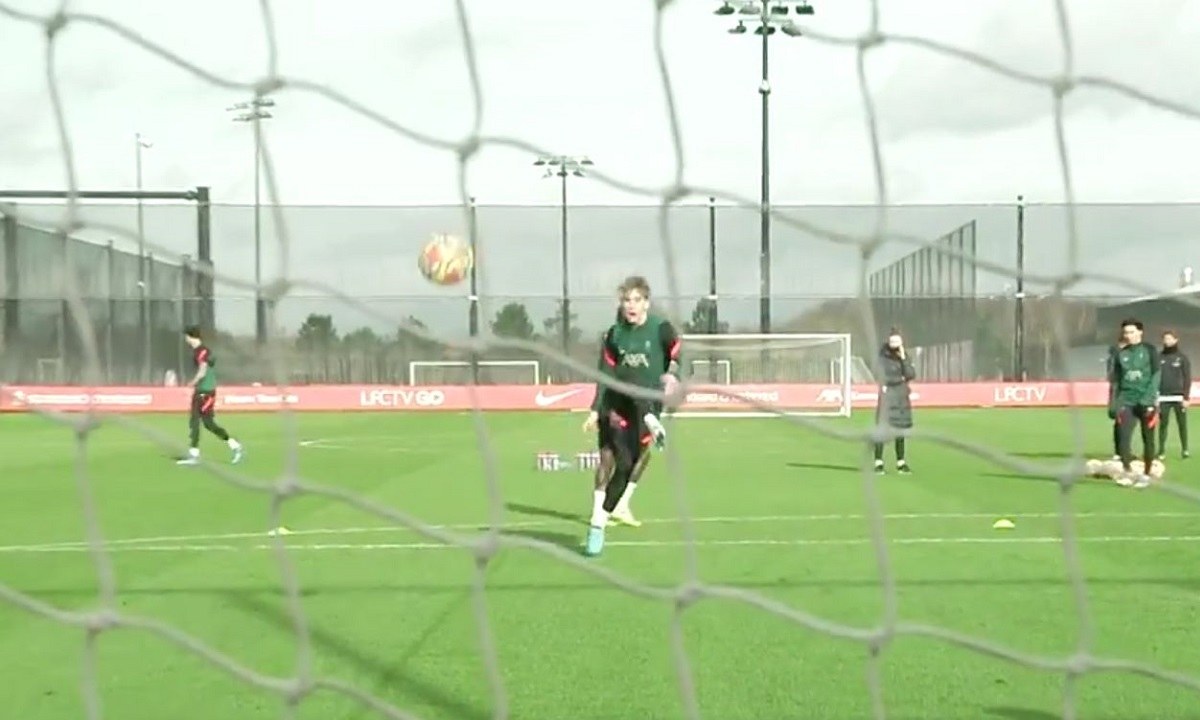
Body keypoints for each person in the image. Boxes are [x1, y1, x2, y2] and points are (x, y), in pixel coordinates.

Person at [581, 276, 681, 556]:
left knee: (626, 467)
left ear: (646, 303)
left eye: (636, 300)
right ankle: (597, 524)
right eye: (626, 300)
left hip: (649, 402)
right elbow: (605, 374)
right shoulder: (614, 335)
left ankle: (602, 519)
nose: (631, 305)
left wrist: (672, 375)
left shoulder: (661, 329)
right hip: (616, 405)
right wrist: (595, 409)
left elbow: (677, 356)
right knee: (611, 456)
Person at [582, 307, 655, 529]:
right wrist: (596, 409)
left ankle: (606, 510)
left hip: (621, 406)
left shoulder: (622, 339)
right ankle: (613, 507)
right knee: (626, 455)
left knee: (615, 455)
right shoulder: (620, 340)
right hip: (620, 407)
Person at [177, 326, 244, 466]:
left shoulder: (201, 351)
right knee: (201, 422)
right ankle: (196, 453)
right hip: (203, 390)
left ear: (190, 337)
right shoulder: (201, 350)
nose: (185, 340)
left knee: (202, 422)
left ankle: (233, 446)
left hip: (205, 391)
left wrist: (192, 382)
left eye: (186, 337)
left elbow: (203, 370)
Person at [1109, 318, 1159, 487]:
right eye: (1125, 332)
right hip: (1127, 401)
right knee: (1123, 438)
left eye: (1131, 332)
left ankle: (1146, 474)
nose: (1128, 335)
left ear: (1140, 332)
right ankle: (1127, 472)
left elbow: (1156, 375)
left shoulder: (1150, 350)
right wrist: (1113, 404)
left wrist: (1148, 399)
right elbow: (1116, 382)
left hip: (1146, 402)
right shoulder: (1120, 354)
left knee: (1148, 439)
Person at [873, 330, 916, 474]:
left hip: (901, 398)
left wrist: (903, 358)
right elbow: (883, 377)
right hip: (888, 397)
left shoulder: (903, 356)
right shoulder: (883, 358)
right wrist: (900, 379)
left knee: (900, 429)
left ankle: (901, 463)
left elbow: (910, 374)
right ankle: (878, 462)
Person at [1158, 330, 1191, 459]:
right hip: (1163, 397)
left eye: (1170, 338)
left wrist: (1186, 397)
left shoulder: (1182, 358)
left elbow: (1187, 378)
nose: (1167, 341)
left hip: (1179, 397)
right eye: (1165, 339)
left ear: (1176, 340)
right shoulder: (1159, 357)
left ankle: (1185, 449)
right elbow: (1155, 377)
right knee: (1163, 425)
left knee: (1182, 424)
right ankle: (1161, 451)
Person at [1106, 332, 1128, 460]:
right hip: (1120, 392)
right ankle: (1120, 451)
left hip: (1124, 391)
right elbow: (1111, 376)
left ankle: (1121, 451)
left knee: (1124, 422)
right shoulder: (1116, 357)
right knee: (1121, 421)